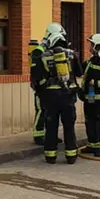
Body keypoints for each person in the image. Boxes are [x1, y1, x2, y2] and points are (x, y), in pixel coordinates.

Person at [30, 23, 83, 164]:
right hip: (68, 96)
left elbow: (38, 78)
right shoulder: (72, 54)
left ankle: (50, 156)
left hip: (50, 98)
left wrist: (42, 93)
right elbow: (79, 72)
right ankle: (71, 155)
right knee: (69, 127)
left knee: (51, 127)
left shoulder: (43, 56)